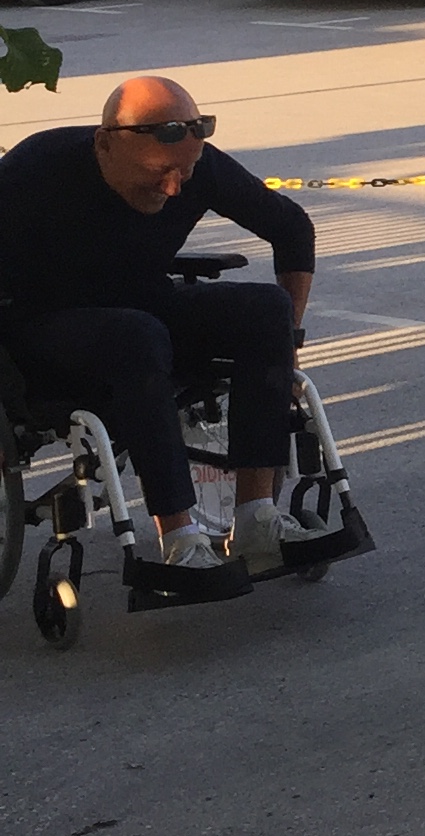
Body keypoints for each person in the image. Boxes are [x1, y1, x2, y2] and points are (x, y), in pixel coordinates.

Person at [0, 75, 324, 577]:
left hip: (143, 306)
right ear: (106, 145)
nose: (174, 188)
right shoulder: (37, 170)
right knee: (138, 334)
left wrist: (290, 338)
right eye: (159, 172)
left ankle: (256, 518)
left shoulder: (196, 166)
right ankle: (179, 537)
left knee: (265, 310)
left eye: (184, 173)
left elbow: (291, 227)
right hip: (42, 327)